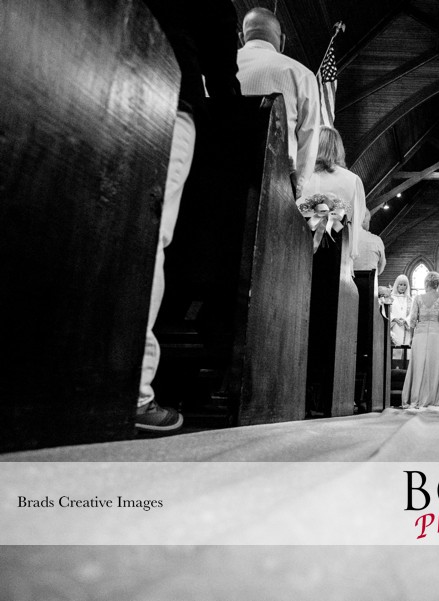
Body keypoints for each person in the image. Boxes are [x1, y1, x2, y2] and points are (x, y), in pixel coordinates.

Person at [138, 0, 243, 433]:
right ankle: (134, 391)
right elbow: (221, 69)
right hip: (166, 94)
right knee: (147, 235)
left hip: (85, 60)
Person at [236, 7, 319, 195]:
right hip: (273, 181)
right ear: (282, 41)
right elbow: (309, 137)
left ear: (241, 38)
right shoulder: (300, 75)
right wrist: (296, 188)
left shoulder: (214, 73)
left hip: (213, 170)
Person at [302, 126, 366, 259]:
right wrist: (352, 252)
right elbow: (357, 219)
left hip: (300, 239)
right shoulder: (353, 180)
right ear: (339, 149)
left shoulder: (302, 176)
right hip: (337, 246)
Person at [401, 272, 439, 408]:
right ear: (437, 284)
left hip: (420, 334)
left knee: (418, 365)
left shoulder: (418, 298)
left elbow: (412, 320)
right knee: (435, 365)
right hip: (437, 333)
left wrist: (412, 337)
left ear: (426, 284)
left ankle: (416, 397)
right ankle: (435, 398)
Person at [352, 209, 386, 275]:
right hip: (369, 279)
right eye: (369, 221)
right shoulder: (376, 240)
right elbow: (381, 265)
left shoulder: (345, 238)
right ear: (363, 221)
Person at [390, 275, 413, 347]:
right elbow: (387, 312)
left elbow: (412, 313)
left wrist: (406, 320)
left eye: (404, 285)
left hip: (405, 326)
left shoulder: (410, 300)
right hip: (394, 326)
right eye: (400, 284)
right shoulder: (390, 298)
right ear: (397, 285)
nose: (402, 287)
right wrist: (394, 319)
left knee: (405, 348)